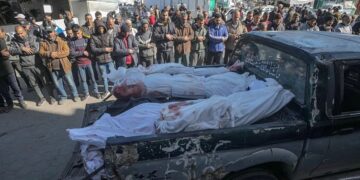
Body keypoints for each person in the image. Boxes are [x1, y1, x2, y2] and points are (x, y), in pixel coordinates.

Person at [110, 62, 247, 100]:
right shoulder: (141, 83)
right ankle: (232, 79)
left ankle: (229, 71)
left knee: (200, 76)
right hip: (180, 88)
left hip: (179, 80)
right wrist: (125, 89)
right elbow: (138, 89)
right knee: (207, 86)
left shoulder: (144, 76)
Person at [9, 26, 53, 106]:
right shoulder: (14, 40)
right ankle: (41, 98)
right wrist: (21, 49)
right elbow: (11, 51)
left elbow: (36, 49)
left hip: (37, 64)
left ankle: (51, 96)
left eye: (21, 33)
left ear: (25, 31)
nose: (20, 35)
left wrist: (22, 50)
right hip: (25, 66)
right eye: (18, 34)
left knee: (45, 81)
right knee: (34, 84)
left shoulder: (32, 37)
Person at [39, 25, 80, 105]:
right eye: (47, 32)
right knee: (58, 84)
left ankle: (75, 95)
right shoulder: (43, 43)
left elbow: (67, 51)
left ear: (54, 32)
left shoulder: (62, 40)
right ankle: (63, 96)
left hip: (64, 66)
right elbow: (41, 53)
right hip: (52, 67)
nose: (49, 34)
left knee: (70, 82)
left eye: (50, 32)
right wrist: (50, 54)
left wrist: (56, 54)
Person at [69, 25, 100, 100]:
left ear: (81, 32)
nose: (77, 35)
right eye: (75, 33)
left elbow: (91, 49)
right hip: (79, 64)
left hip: (88, 62)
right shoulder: (72, 41)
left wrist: (89, 53)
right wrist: (83, 52)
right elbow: (72, 53)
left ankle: (96, 92)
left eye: (79, 33)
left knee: (93, 78)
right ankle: (86, 93)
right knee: (83, 80)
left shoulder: (87, 39)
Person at [0, 27, 27, 111]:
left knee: (15, 87)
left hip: (8, 69)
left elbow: (6, 54)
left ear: (2, 32)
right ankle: (10, 104)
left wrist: (3, 53)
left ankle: (21, 100)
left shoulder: (2, 41)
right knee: (4, 90)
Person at [90, 21, 115, 97]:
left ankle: (115, 89)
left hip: (109, 59)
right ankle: (106, 91)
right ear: (97, 29)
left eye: (102, 28)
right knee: (104, 77)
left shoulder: (108, 35)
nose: (101, 29)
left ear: (104, 28)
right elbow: (93, 49)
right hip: (100, 60)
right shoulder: (93, 37)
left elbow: (112, 46)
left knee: (113, 75)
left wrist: (110, 49)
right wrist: (104, 49)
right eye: (99, 28)